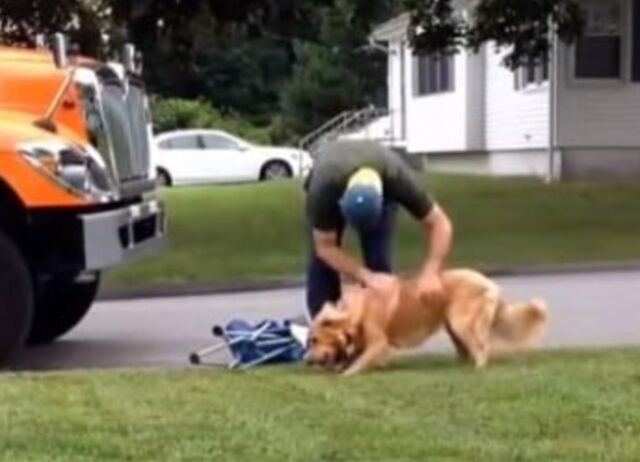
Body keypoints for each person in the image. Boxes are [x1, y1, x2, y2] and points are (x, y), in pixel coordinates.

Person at [304, 139, 453, 319]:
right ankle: (325, 327)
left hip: (381, 180)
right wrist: (365, 277)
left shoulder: (398, 178)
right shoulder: (323, 192)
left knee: (378, 256)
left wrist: (431, 272)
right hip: (331, 180)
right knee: (322, 262)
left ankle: (380, 328)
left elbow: (440, 223)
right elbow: (325, 247)